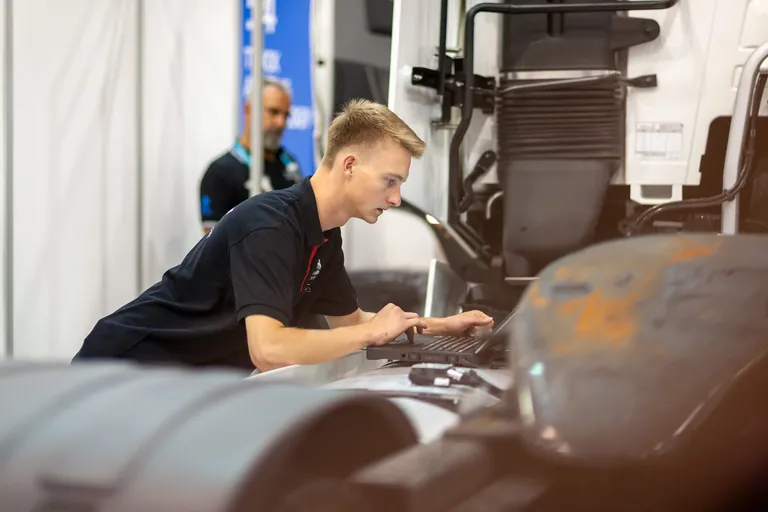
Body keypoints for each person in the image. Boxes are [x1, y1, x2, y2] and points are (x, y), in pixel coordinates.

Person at [72, 99, 493, 372]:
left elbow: (354, 322)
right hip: (123, 369)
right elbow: (269, 349)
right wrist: (370, 333)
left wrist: (442, 327)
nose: (396, 198)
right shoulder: (270, 226)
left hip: (180, 382)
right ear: (349, 165)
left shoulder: (325, 235)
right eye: (390, 181)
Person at [199, 78, 302, 233]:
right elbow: (213, 242)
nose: (281, 123)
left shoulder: (289, 164)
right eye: (273, 112)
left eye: (286, 115)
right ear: (248, 109)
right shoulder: (220, 173)